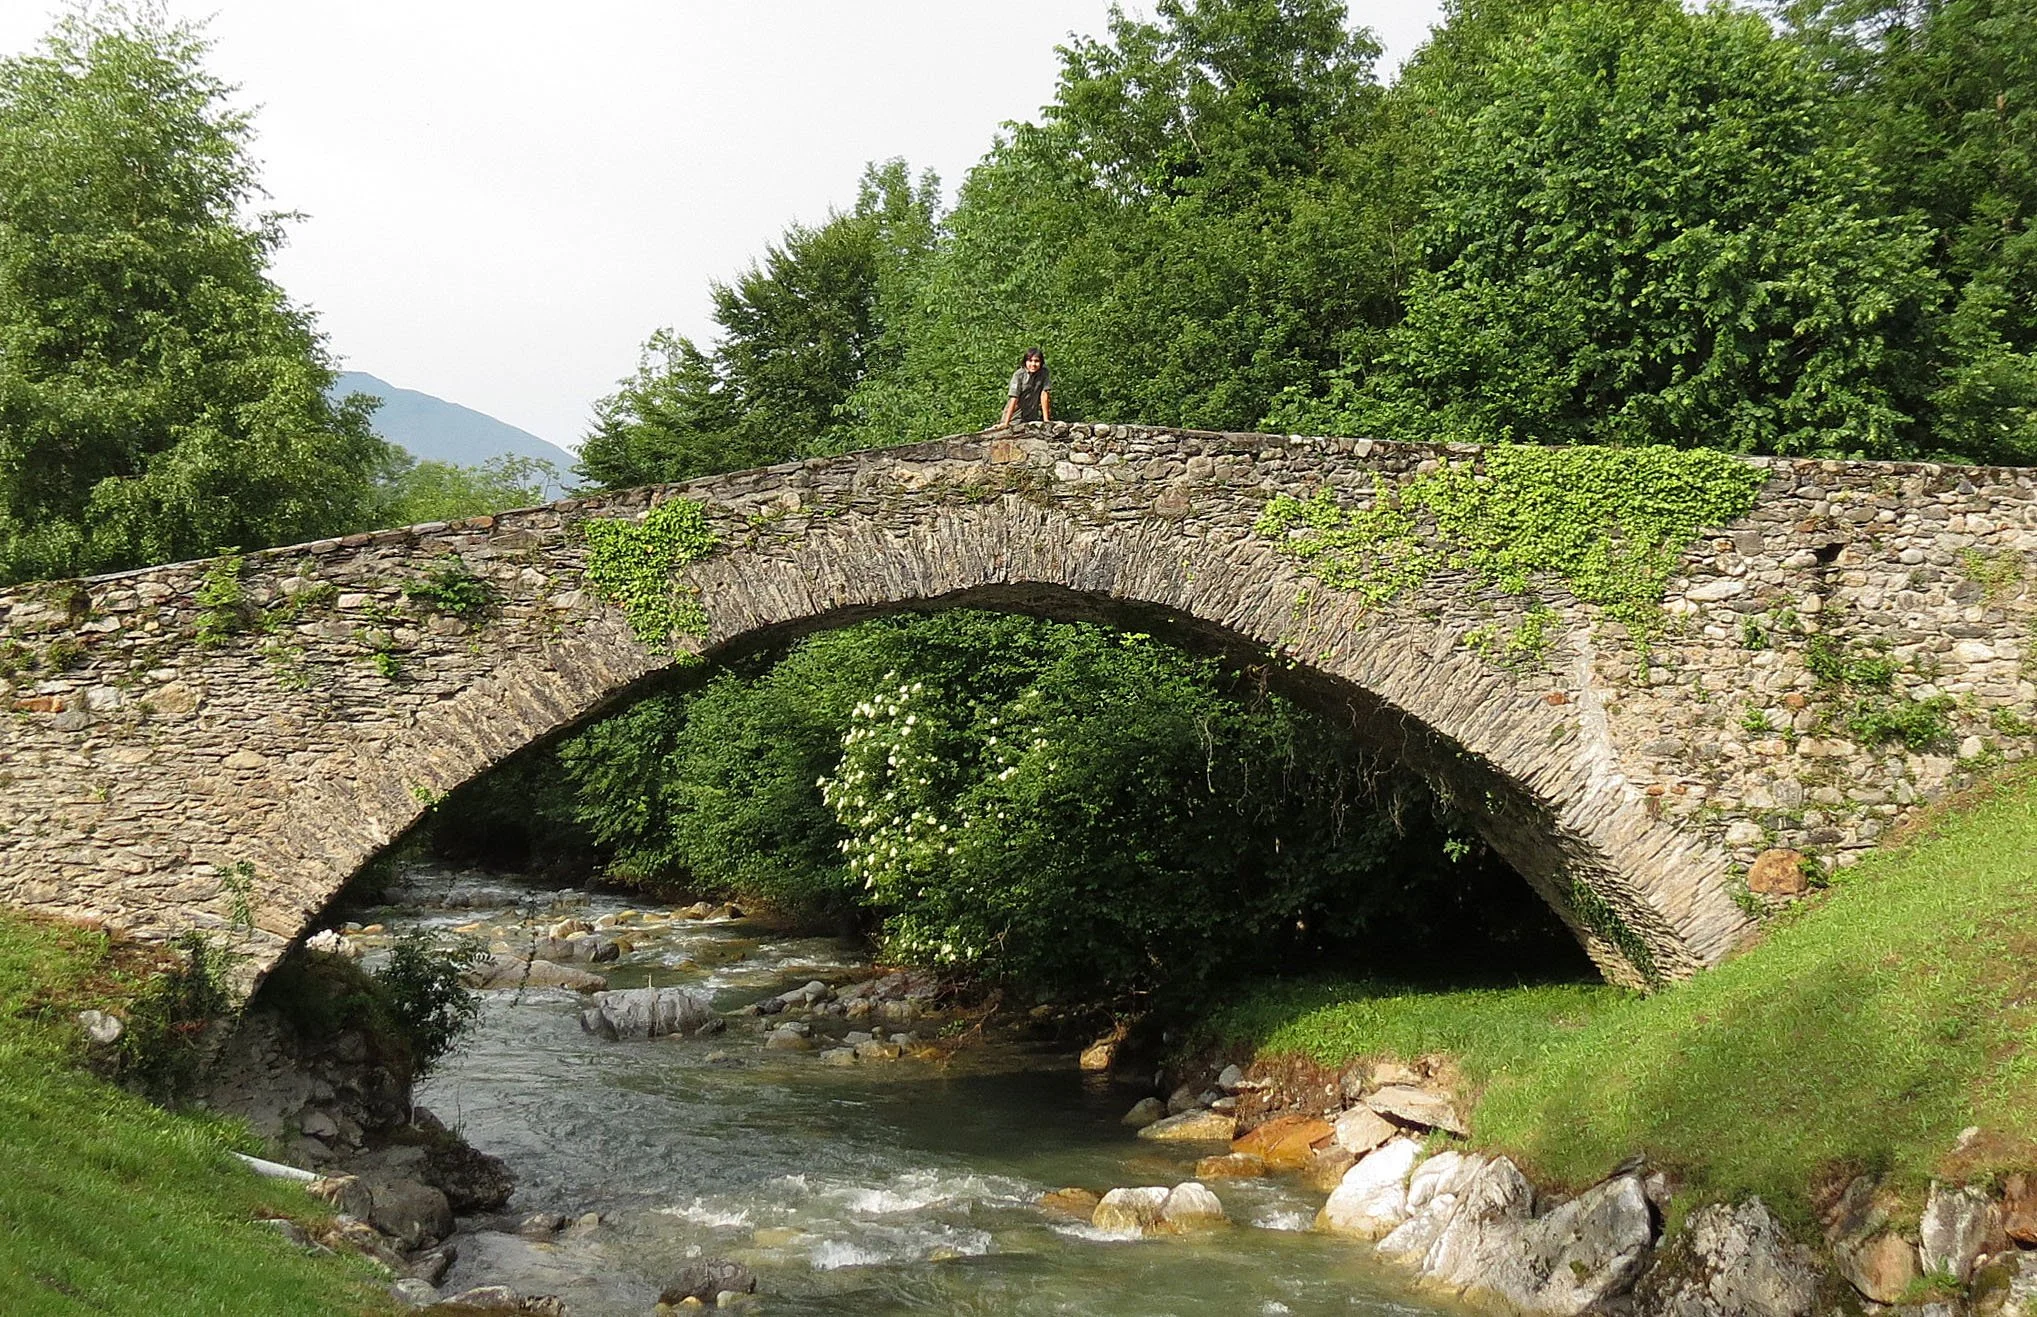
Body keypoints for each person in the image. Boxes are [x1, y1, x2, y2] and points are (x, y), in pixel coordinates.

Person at [999, 348, 1051, 427]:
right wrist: (1006, 423)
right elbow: (1014, 398)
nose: (1033, 364)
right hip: (1014, 419)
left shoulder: (1044, 373)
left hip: (1031, 418)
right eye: (1030, 361)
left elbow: (1044, 395)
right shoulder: (1019, 375)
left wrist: (1046, 420)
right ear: (1025, 362)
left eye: (1036, 361)